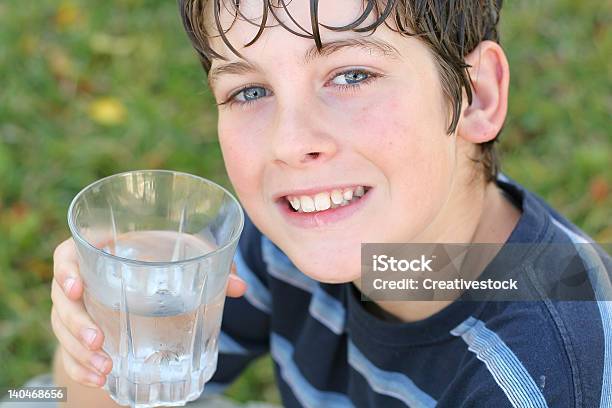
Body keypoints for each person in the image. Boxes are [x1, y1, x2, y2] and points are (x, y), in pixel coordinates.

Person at [50, 0, 611, 407]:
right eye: (249, 91)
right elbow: (72, 402)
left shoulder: (543, 378)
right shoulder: (289, 238)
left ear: (475, 95)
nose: (290, 145)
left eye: (351, 75)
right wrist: (98, 333)